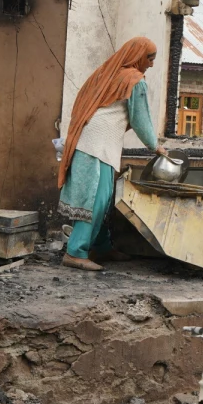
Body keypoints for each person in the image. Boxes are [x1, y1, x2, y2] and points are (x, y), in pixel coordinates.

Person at [58, 37, 167, 271]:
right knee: (95, 201)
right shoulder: (133, 80)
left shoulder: (109, 73)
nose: (151, 64)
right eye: (150, 58)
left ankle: (101, 246)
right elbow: (140, 118)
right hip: (96, 144)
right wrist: (155, 146)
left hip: (94, 140)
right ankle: (75, 252)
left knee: (103, 198)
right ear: (138, 56)